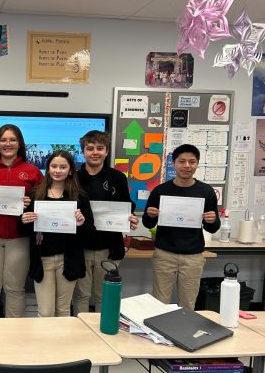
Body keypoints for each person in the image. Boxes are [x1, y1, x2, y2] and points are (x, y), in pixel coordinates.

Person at [142, 144, 220, 309]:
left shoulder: (206, 192)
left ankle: (184, 334)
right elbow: (147, 223)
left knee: (188, 303)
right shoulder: (160, 191)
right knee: (159, 302)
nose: (187, 166)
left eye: (192, 162)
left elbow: (212, 228)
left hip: (193, 256)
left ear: (197, 164)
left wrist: (212, 220)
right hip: (164, 254)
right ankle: (158, 333)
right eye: (182, 161)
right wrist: (149, 215)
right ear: (173, 164)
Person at [19, 151, 95, 317]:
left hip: (67, 260)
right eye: (53, 166)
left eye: (63, 167)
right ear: (48, 169)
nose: (57, 170)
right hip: (43, 259)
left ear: (70, 170)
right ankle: (44, 343)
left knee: (63, 310)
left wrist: (81, 224)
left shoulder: (79, 196)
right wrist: (23, 220)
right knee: (45, 312)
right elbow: (25, 230)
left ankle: (62, 343)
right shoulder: (36, 194)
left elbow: (90, 235)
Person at [0, 124, 44, 318]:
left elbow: (44, 203)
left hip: (19, 239)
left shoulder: (32, 171)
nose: (8, 144)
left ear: (20, 144)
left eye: (13, 140)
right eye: (4, 140)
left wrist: (30, 203)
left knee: (15, 288)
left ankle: (14, 335)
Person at [73, 130, 138, 315]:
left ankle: (105, 331)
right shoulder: (74, 178)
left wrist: (129, 217)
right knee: (81, 295)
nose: (95, 152)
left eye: (100, 148)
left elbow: (127, 205)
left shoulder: (118, 178)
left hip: (109, 247)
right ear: (83, 152)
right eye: (90, 148)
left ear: (107, 151)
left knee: (104, 295)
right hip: (81, 246)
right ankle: (81, 333)